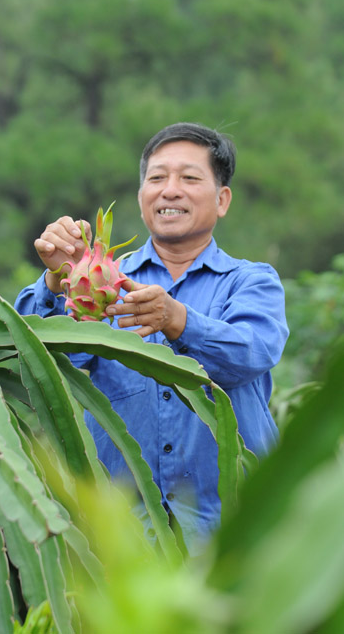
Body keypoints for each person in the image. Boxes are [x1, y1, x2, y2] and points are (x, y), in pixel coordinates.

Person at [15, 122, 289, 550]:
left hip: (234, 535)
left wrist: (178, 320)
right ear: (142, 195)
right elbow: (35, 363)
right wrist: (56, 281)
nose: (170, 190)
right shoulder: (98, 281)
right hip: (123, 539)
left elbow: (250, 353)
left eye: (190, 177)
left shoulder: (252, 282)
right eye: (157, 177)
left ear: (222, 200)